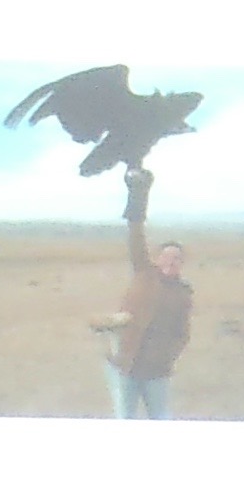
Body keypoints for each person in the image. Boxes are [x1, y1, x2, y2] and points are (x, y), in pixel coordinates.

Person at [91, 166, 191, 419]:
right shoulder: (144, 272)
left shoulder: (183, 294)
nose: (171, 262)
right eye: (167, 256)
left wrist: (167, 357)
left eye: (177, 259)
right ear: (157, 258)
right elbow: (136, 235)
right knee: (125, 419)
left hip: (157, 372)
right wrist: (138, 195)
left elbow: (182, 333)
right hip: (125, 365)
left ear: (182, 264)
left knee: (160, 418)